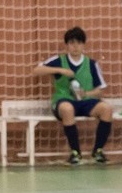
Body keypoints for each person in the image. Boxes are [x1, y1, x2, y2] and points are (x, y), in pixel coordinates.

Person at [34, 27, 116, 165]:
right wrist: (60, 70)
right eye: (72, 43)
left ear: (84, 44)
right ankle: (75, 152)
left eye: (79, 43)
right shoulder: (58, 60)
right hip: (63, 99)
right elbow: (36, 71)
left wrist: (87, 93)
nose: (75, 46)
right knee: (67, 109)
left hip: (85, 101)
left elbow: (101, 89)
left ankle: (98, 151)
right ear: (67, 45)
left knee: (106, 109)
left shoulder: (91, 64)